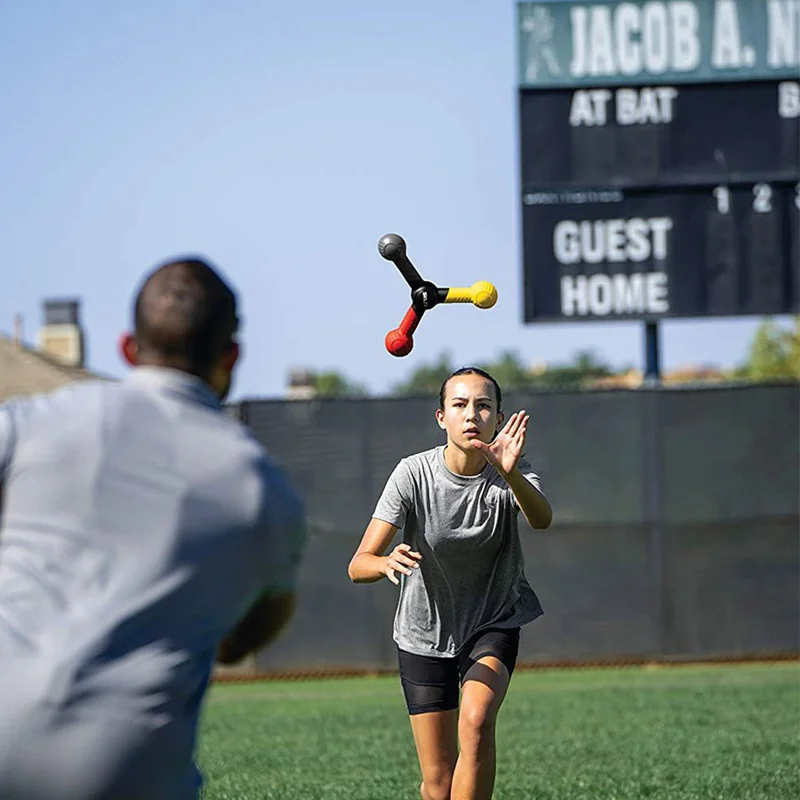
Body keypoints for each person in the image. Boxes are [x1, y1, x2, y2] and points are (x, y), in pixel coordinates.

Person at [0, 257, 307, 800]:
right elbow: (244, 638)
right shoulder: (263, 490)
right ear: (231, 358)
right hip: (123, 770)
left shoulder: (27, 423)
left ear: (126, 348)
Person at [348, 366, 552, 800]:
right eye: (459, 405)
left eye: (483, 406)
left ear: (499, 417)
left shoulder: (510, 471)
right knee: (438, 782)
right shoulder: (412, 474)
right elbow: (357, 564)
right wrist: (384, 562)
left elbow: (541, 518)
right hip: (423, 632)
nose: (471, 415)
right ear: (441, 417)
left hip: (491, 620)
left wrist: (511, 472)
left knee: (477, 721)